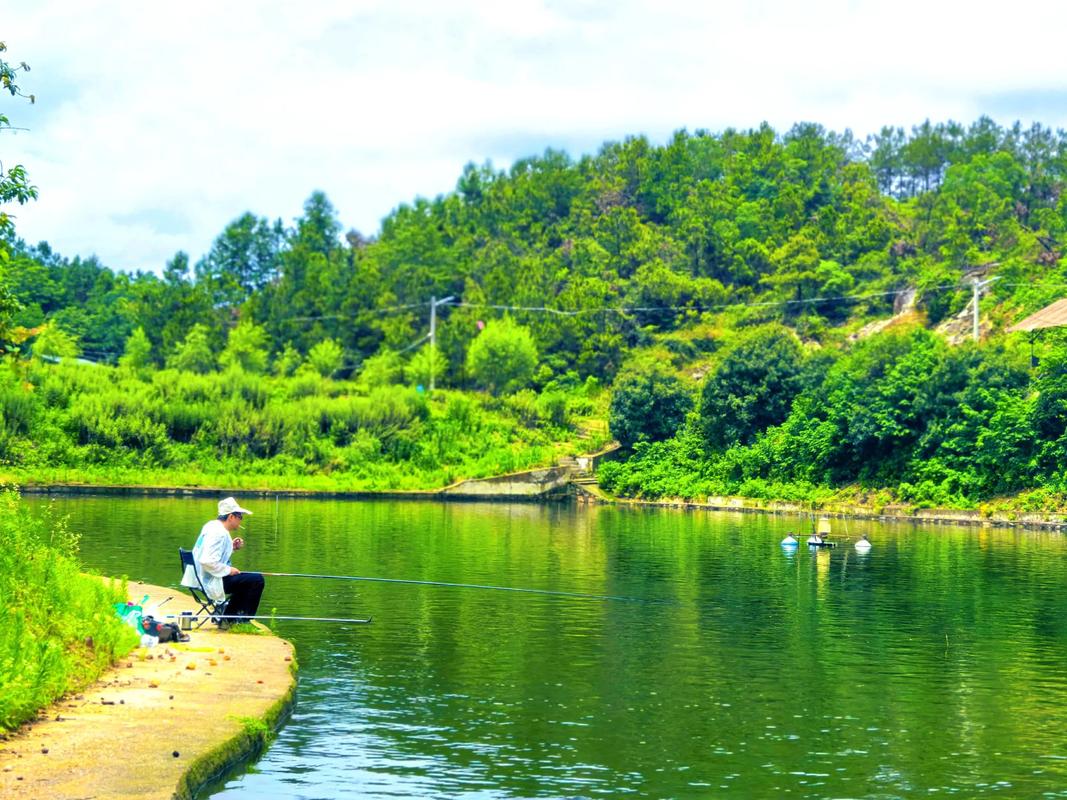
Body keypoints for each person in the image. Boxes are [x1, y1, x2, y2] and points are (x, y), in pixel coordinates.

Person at [181, 497, 264, 628]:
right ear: (231, 517)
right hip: (209, 580)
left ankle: (229, 617)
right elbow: (207, 561)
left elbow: (211, 553)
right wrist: (228, 570)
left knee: (246, 579)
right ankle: (242, 620)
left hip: (200, 577)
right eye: (240, 516)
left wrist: (231, 547)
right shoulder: (219, 533)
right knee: (256, 580)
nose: (241, 520)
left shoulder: (211, 526)